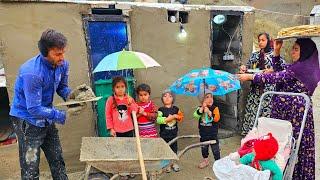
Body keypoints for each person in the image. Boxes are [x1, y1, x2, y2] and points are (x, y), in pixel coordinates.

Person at [237, 38, 320, 179]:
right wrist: (277, 51)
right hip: (286, 113)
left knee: (292, 146)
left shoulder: (301, 69)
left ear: (305, 52)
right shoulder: (300, 67)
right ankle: (282, 173)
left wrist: (250, 77)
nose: (292, 52)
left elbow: (277, 77)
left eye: (296, 49)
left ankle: (292, 175)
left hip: (295, 114)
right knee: (283, 146)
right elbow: (280, 72)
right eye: (292, 48)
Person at [10, 29, 80, 180]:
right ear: (45, 53)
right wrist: (62, 115)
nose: (62, 57)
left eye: (63, 52)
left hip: (46, 115)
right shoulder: (32, 73)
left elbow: (62, 87)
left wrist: (73, 96)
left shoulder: (62, 64)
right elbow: (34, 108)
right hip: (27, 120)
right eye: (57, 54)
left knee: (57, 160)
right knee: (30, 168)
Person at [239, 33, 285, 135]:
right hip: (255, 91)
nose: (260, 42)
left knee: (265, 115)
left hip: (268, 92)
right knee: (253, 114)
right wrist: (244, 68)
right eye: (259, 40)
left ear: (268, 41)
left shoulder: (275, 56)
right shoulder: (255, 55)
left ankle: (264, 138)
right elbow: (248, 67)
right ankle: (252, 137)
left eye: (263, 40)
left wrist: (272, 71)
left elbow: (282, 70)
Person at [157, 90, 184, 172]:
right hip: (164, 134)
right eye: (165, 96)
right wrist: (169, 118)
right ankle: (166, 165)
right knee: (165, 150)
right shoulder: (161, 109)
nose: (167, 98)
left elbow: (181, 117)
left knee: (174, 149)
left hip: (173, 134)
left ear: (173, 99)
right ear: (162, 99)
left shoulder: (176, 109)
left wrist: (177, 116)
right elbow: (159, 120)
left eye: (170, 96)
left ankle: (174, 163)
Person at [193, 90, 221, 169]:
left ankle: (218, 162)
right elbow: (195, 115)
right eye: (207, 97)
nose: (210, 99)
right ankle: (205, 160)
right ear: (202, 100)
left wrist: (209, 112)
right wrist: (202, 108)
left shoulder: (215, 108)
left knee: (215, 149)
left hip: (213, 133)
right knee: (204, 148)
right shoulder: (200, 108)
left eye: (211, 97)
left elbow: (217, 118)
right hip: (203, 133)